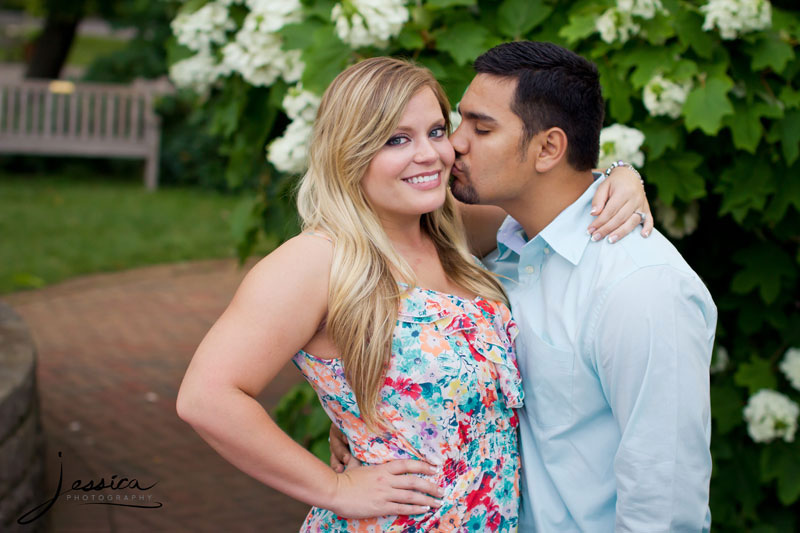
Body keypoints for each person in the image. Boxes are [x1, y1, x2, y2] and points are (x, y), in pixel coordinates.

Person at [177, 56, 649, 532]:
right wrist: (333, 488)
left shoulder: (454, 233)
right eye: (397, 139)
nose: (430, 154)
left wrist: (618, 177)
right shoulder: (316, 261)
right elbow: (207, 397)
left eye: (437, 131)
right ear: (350, 151)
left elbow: (555, 203)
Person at [335, 42, 717, 531]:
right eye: (459, 123)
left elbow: (666, 503)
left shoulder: (640, 288)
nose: (454, 144)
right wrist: (362, 417)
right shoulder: (494, 249)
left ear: (549, 149)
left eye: (482, 128)